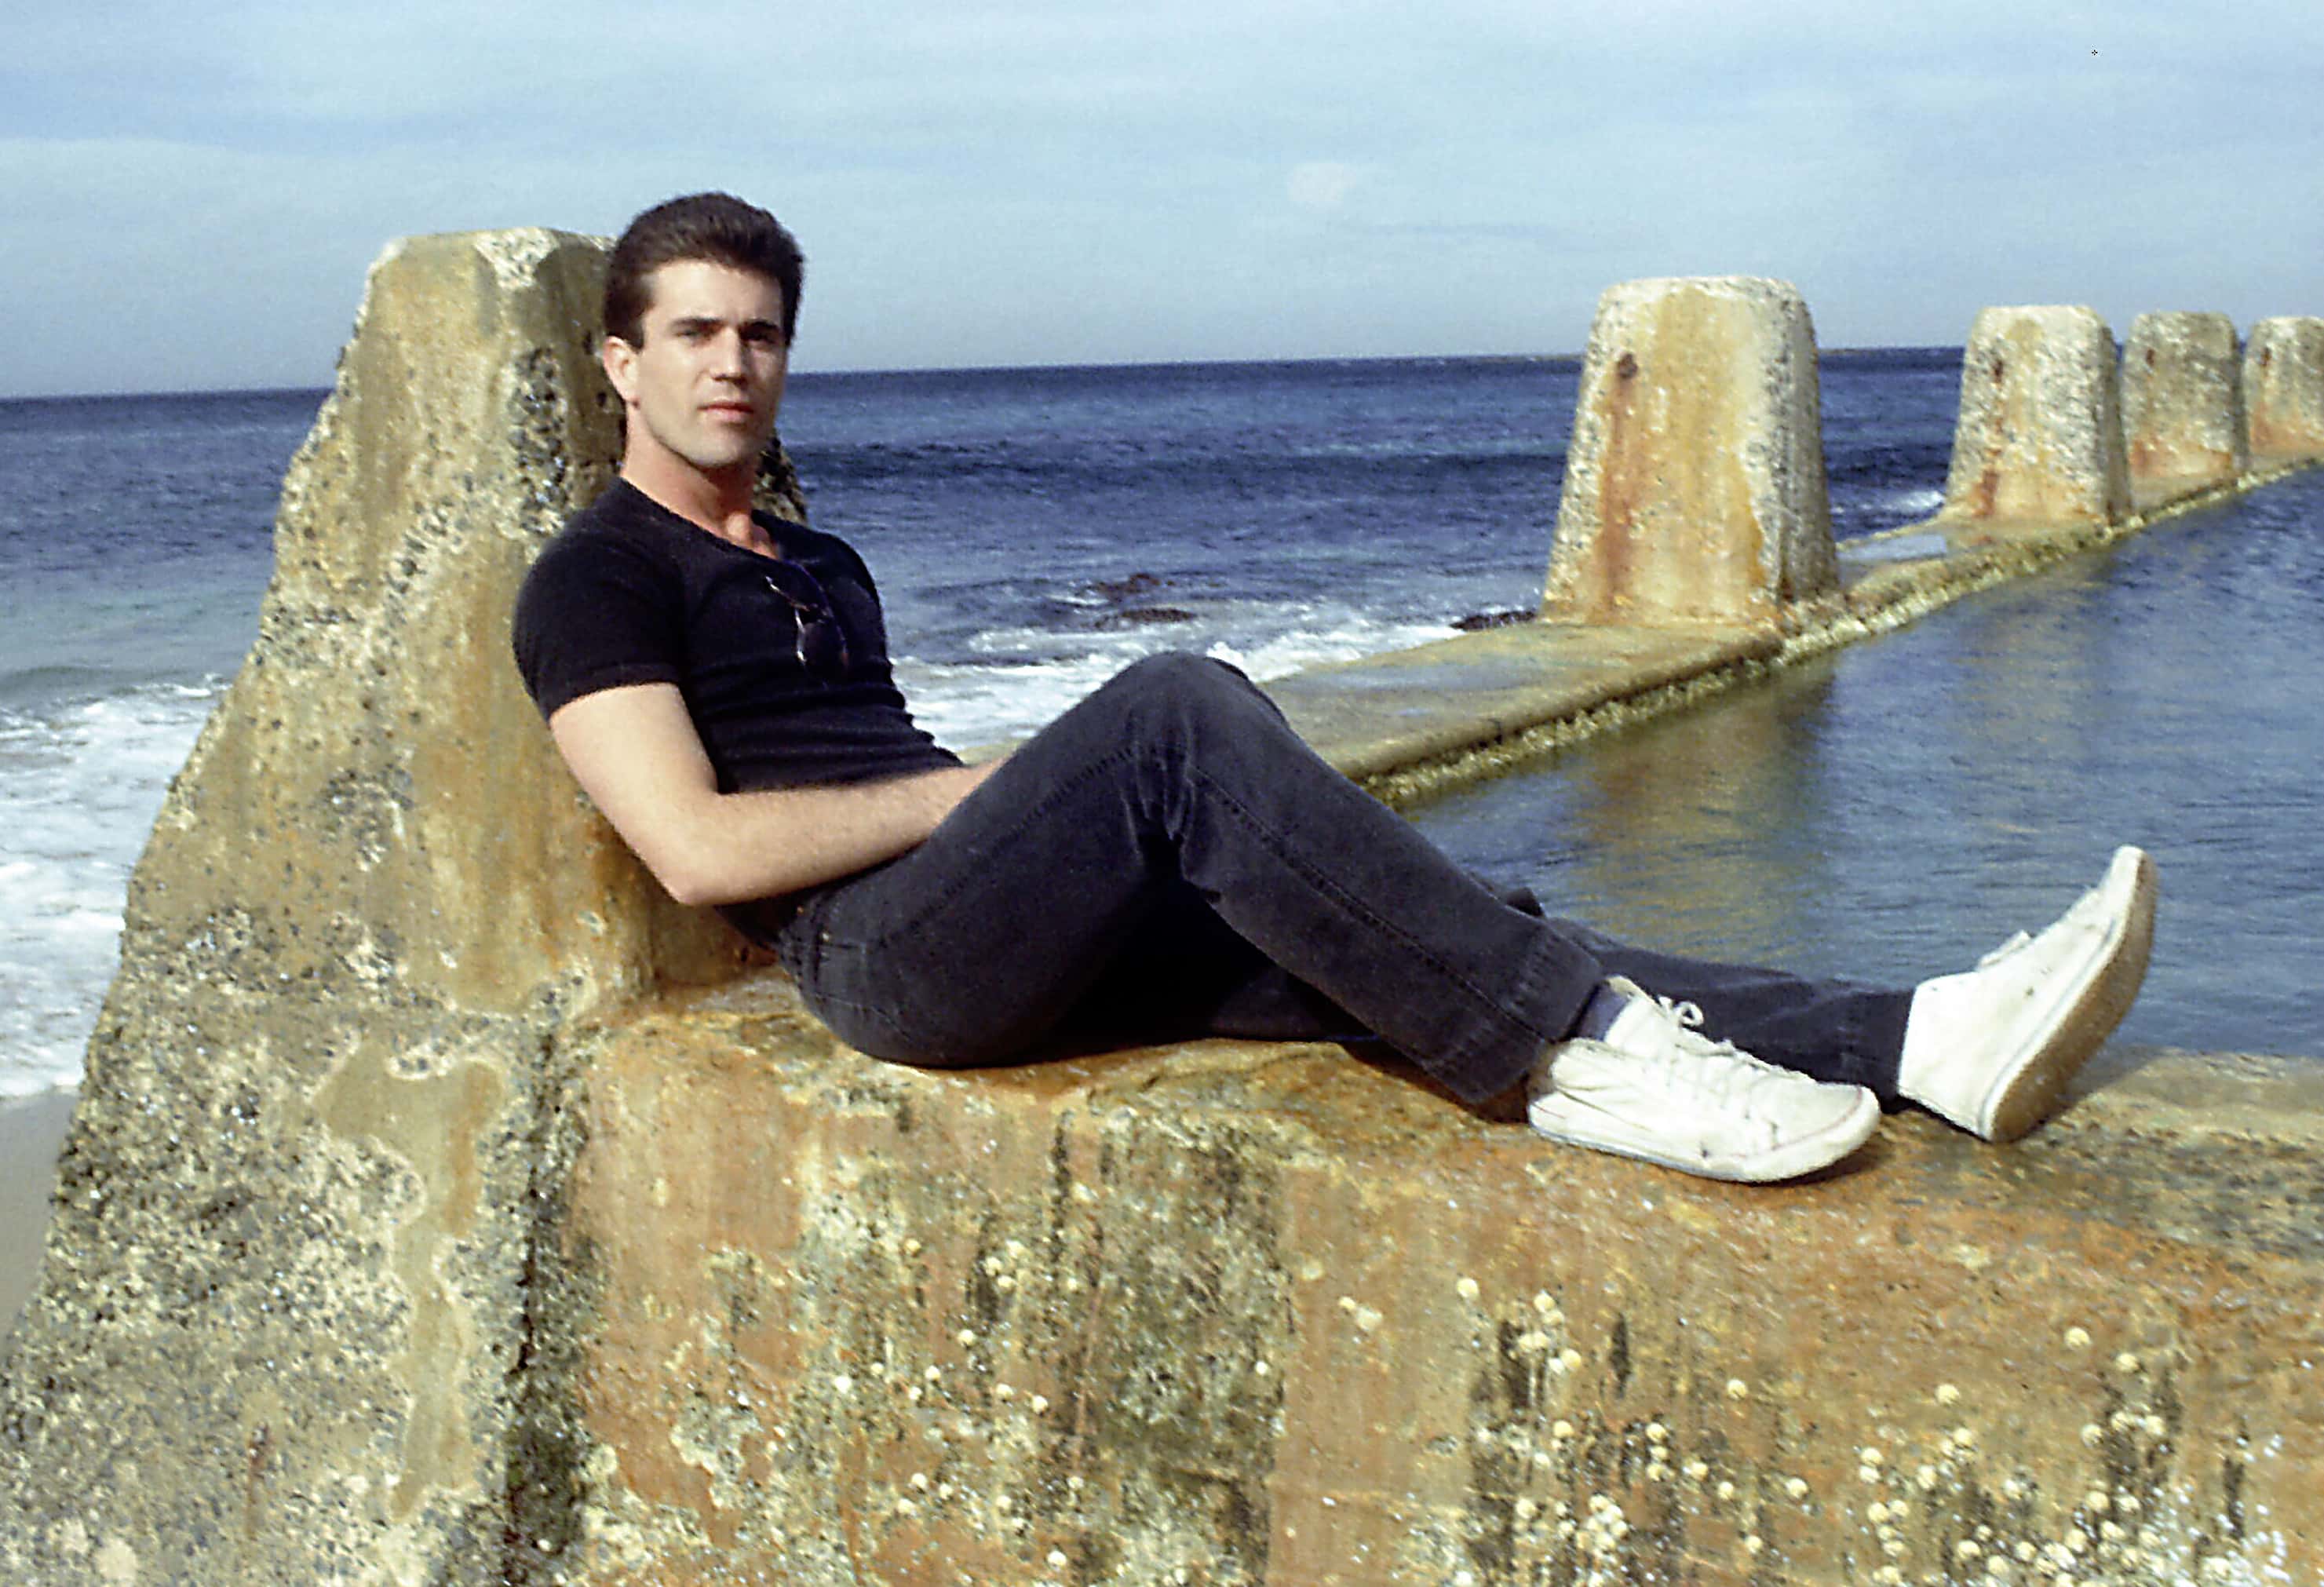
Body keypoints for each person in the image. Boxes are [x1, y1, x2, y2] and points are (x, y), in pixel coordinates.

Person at [513, 192, 2158, 1184]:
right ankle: (1569, 1066)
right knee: (1169, 705)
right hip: (880, 969)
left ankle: (1920, 1038)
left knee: (1446, 919)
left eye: (762, 336)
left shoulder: (817, 561)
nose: (734, 365)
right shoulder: (598, 577)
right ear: (621, 361)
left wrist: (997, 816)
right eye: (698, 335)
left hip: (980, 910)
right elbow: (696, 853)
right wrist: (969, 796)